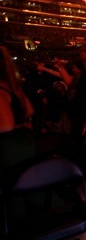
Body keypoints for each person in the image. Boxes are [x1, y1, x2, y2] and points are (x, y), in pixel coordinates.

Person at [0, 45, 36, 174]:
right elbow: (30, 111)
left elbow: (7, 125)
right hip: (26, 143)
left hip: (9, 150)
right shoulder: (12, 86)